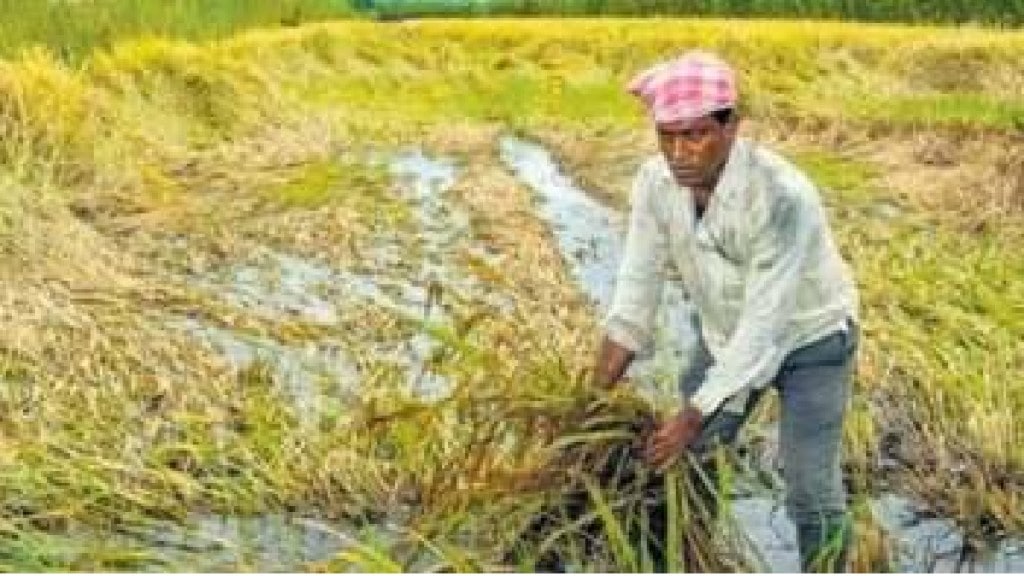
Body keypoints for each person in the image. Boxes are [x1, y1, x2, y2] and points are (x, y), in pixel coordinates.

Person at [591, 50, 860, 572]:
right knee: (688, 469)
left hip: (812, 342)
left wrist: (693, 416)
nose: (678, 153)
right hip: (723, 337)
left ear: (731, 126)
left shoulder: (783, 198)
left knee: (811, 490)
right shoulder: (654, 184)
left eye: (694, 135)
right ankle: (687, 562)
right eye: (666, 136)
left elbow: (765, 328)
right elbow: (636, 291)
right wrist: (591, 398)